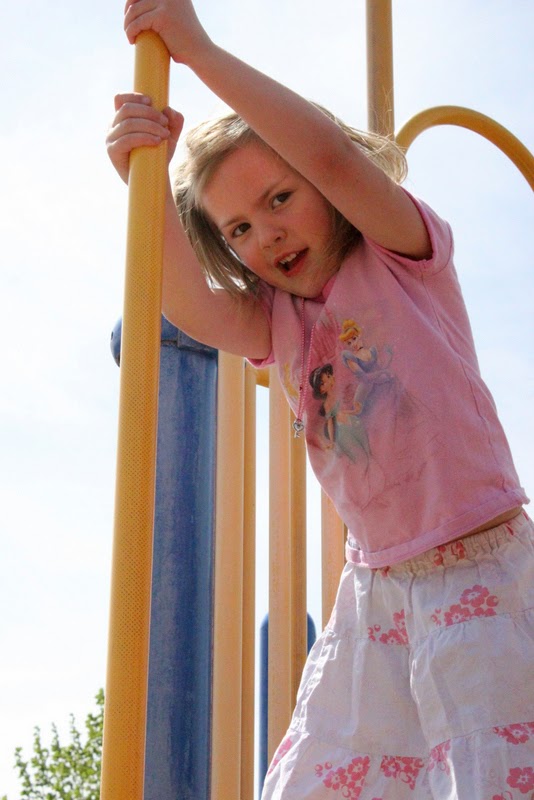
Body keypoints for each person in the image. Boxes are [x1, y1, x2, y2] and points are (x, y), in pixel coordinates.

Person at [106, 1, 534, 796]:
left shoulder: (401, 252)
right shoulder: (277, 320)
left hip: (476, 563)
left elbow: (333, 159)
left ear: (323, 190)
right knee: (318, 778)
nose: (265, 234)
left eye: (279, 199)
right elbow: (187, 304)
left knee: (491, 770)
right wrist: (146, 183)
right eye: (237, 230)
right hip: (375, 596)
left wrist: (200, 52)